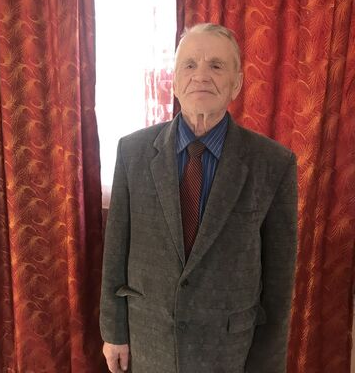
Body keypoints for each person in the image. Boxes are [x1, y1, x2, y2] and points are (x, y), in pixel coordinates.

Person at [100, 23, 298, 373]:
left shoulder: (273, 163)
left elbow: (278, 279)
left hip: (228, 350)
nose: (201, 76)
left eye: (216, 65)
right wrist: (114, 332)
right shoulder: (132, 152)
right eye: (189, 65)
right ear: (175, 81)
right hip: (150, 340)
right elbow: (116, 250)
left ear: (236, 83)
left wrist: (268, 363)